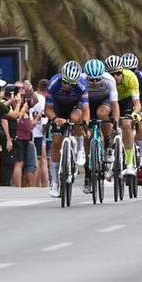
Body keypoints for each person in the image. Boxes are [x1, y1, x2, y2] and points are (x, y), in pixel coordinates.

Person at [45, 61, 87, 198]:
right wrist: (55, 119)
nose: (66, 85)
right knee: (56, 142)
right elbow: (47, 110)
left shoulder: (82, 84)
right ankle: (55, 182)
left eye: (70, 83)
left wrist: (85, 123)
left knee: (76, 118)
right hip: (59, 108)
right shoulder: (54, 83)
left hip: (75, 106)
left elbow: (86, 108)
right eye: (64, 82)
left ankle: (80, 148)